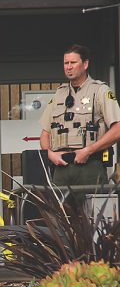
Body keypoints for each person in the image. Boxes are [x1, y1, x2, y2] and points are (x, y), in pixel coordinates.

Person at [39, 44, 120, 185]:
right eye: (66, 63)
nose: (68, 67)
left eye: (73, 62)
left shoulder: (100, 91)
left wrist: (88, 150)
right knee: (59, 207)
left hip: (90, 167)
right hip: (61, 169)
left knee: (94, 207)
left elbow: (117, 129)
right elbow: (45, 134)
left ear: (85, 64)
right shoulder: (59, 94)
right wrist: (49, 154)